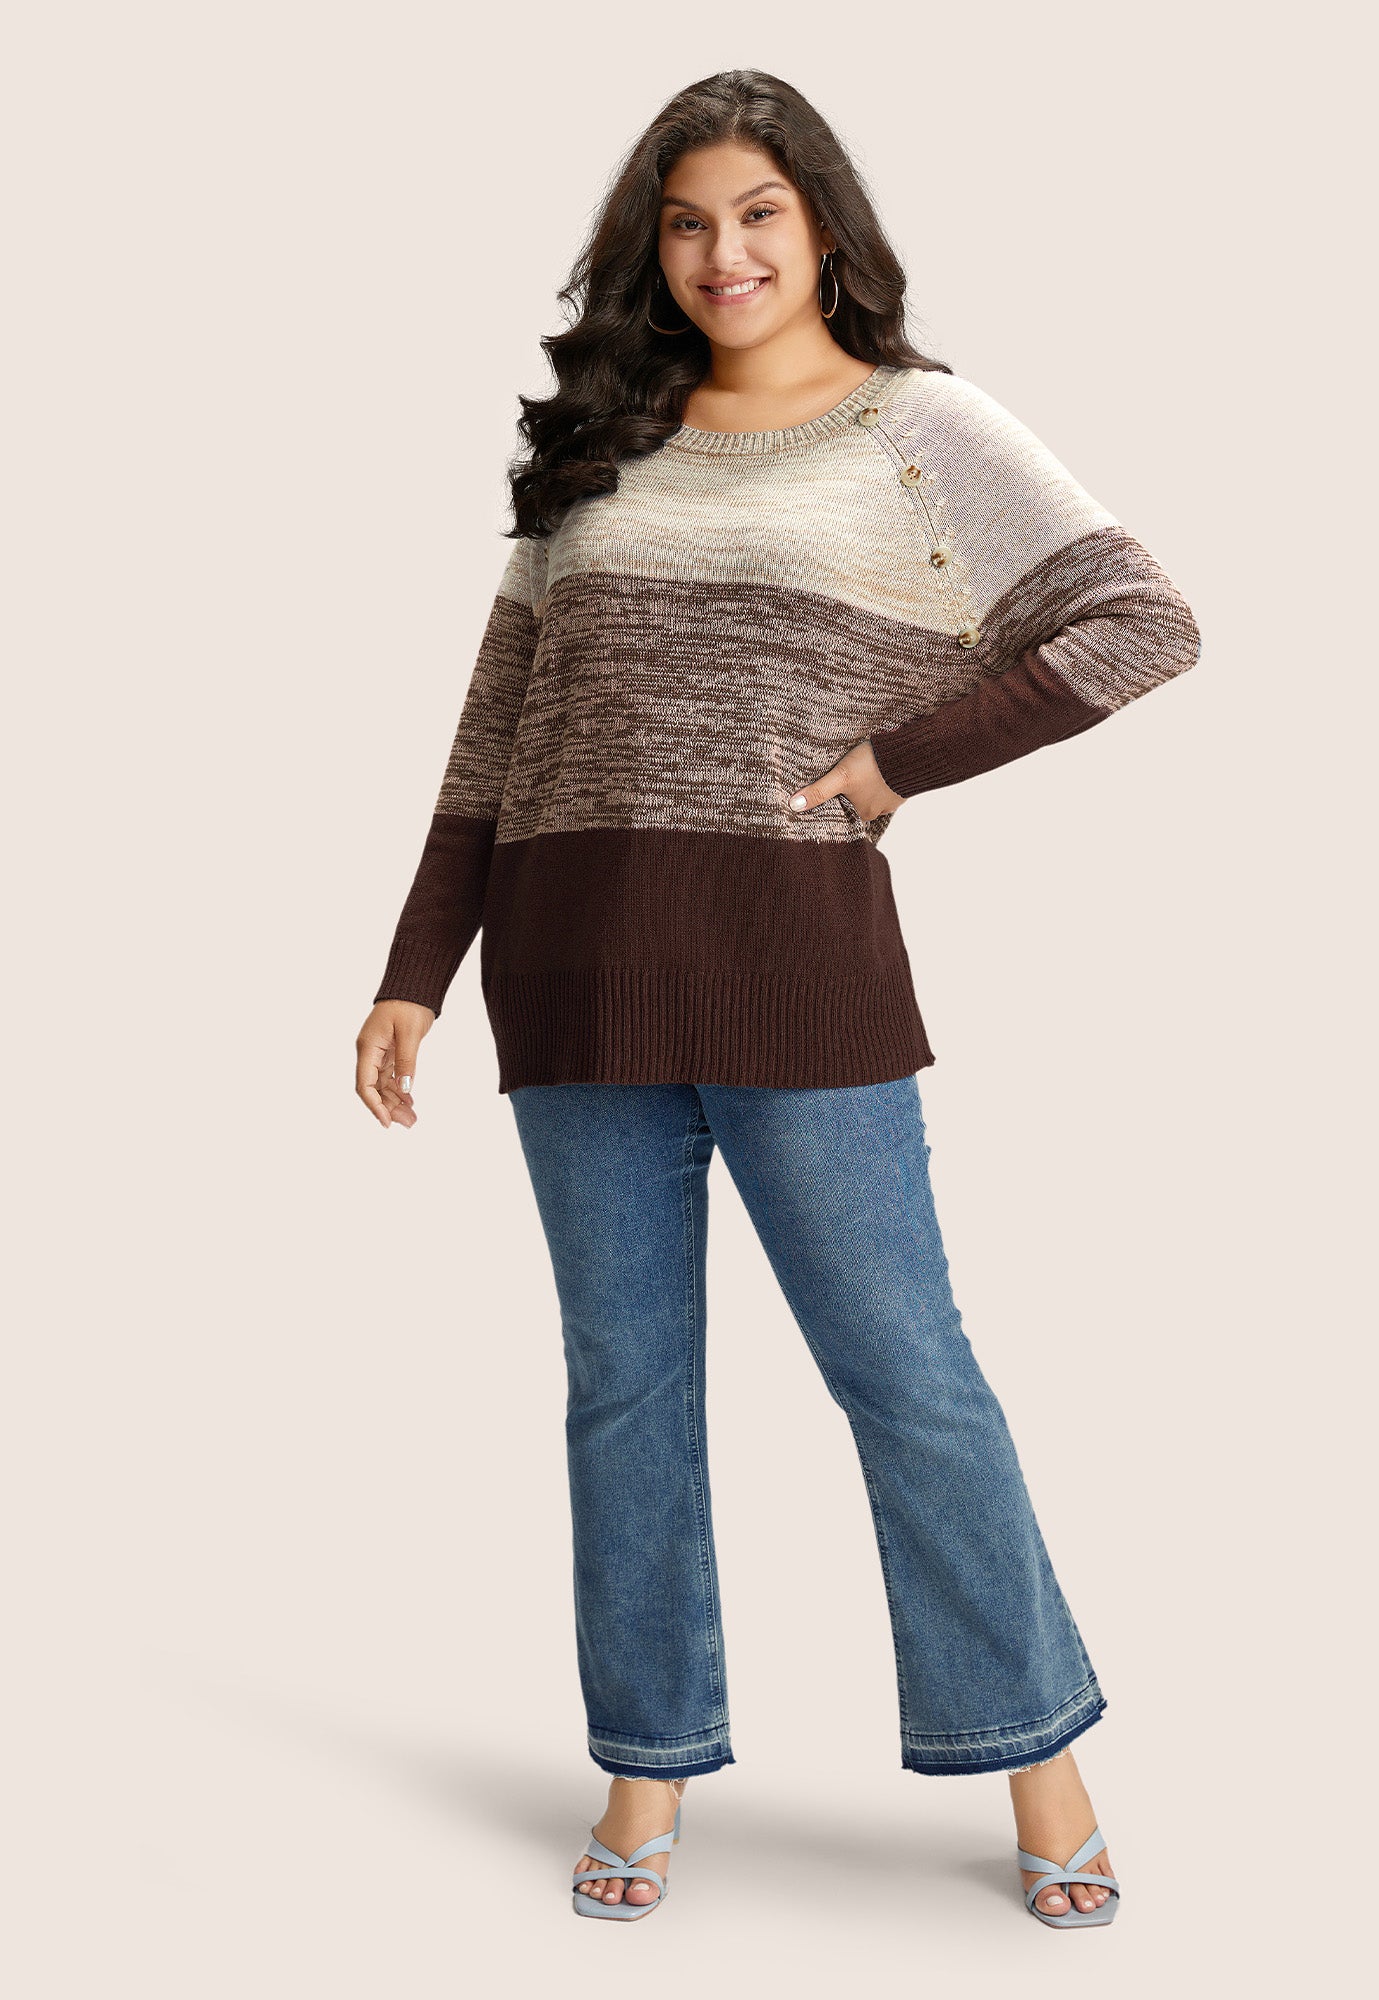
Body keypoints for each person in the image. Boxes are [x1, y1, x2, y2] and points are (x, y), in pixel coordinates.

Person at [355, 68, 1199, 1929]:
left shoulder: (921, 427)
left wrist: (899, 764)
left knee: (908, 1376)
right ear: (649, 248)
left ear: (822, 226)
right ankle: (647, 1762)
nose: (721, 252)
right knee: (622, 1391)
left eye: (757, 213)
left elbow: (1143, 620)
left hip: (794, 975)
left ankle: (1036, 1751)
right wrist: (419, 969)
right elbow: (496, 730)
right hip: (569, 981)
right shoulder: (601, 448)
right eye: (685, 222)